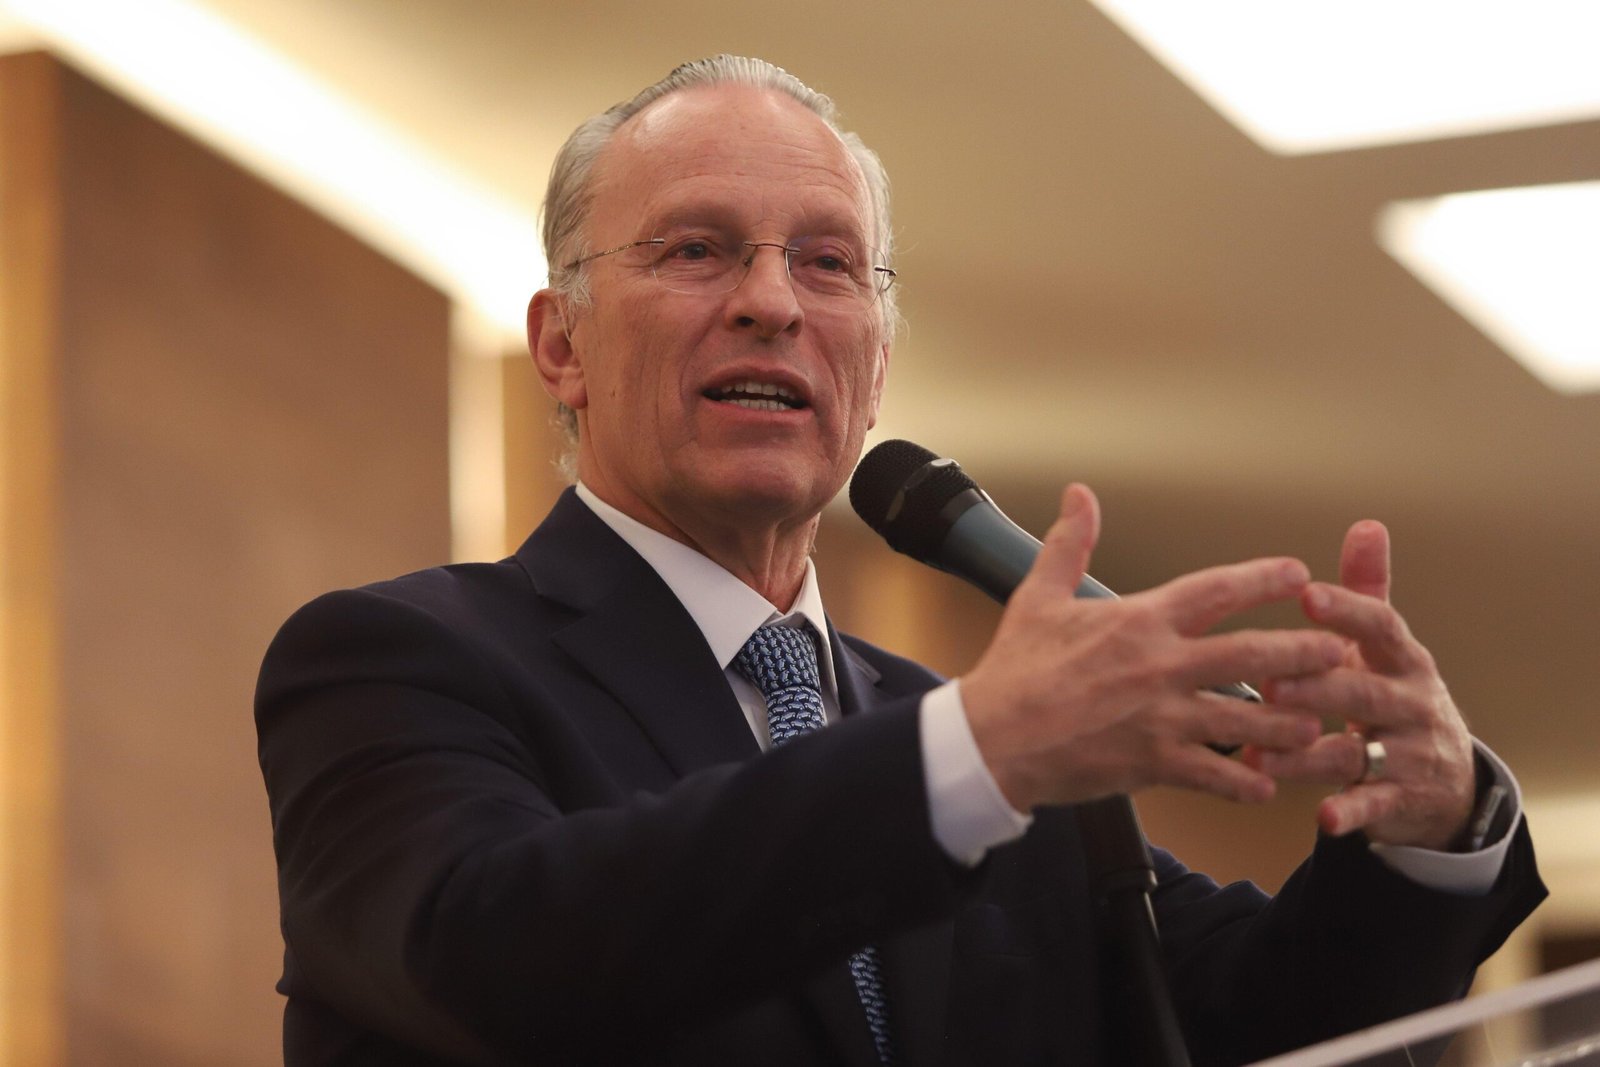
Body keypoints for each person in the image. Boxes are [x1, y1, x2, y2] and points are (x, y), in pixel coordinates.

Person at [256, 55, 1544, 1066]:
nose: (772, 301)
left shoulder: (993, 758)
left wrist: (1432, 828)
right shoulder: (398, 661)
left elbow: (1257, 1024)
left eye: (828, 264)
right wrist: (976, 756)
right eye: (696, 249)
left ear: (874, 368)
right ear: (560, 345)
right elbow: (491, 957)